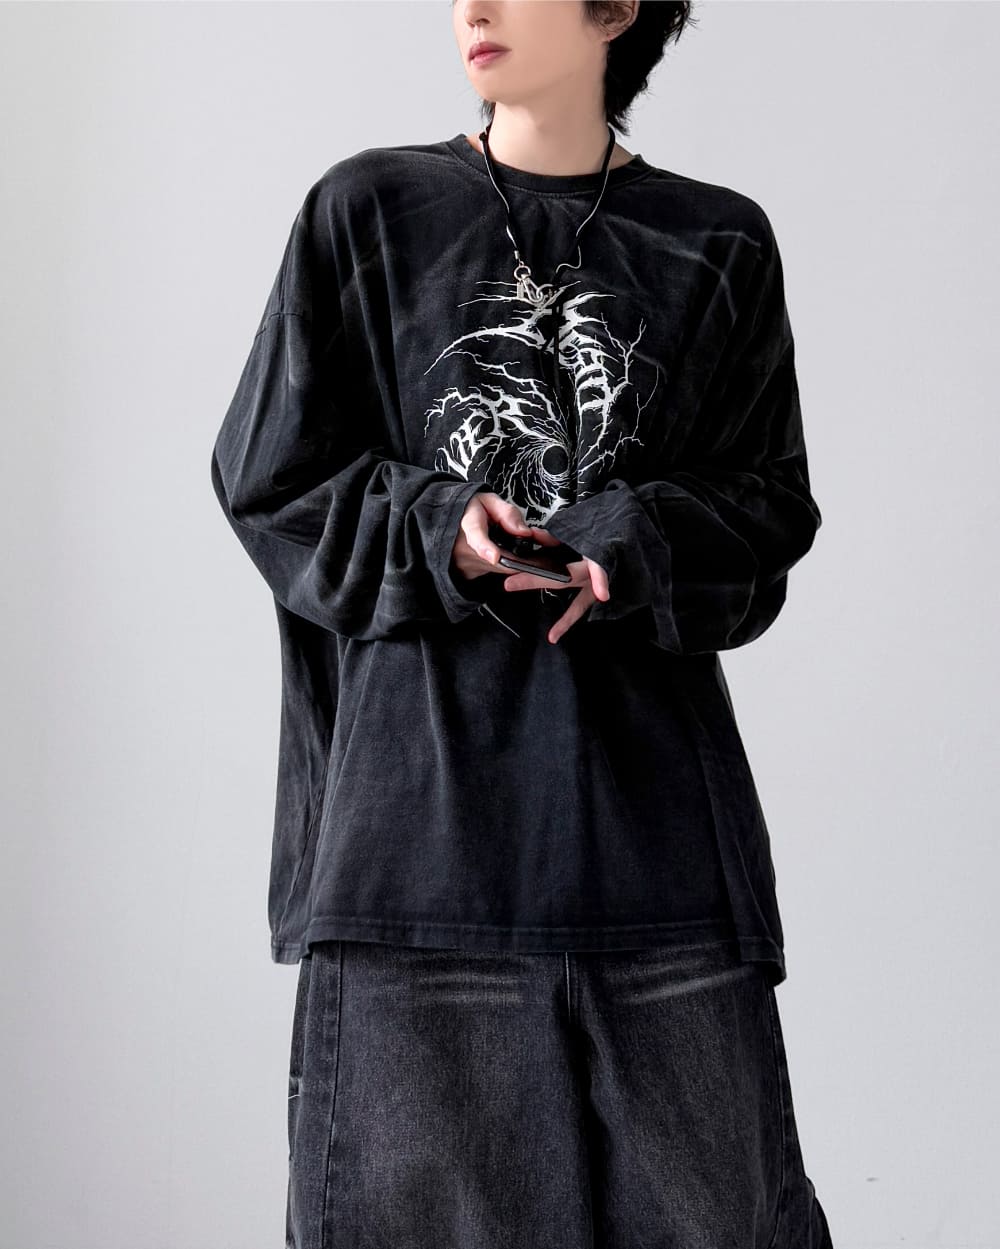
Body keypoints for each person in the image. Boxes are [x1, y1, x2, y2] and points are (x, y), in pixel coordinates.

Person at [210, 2, 835, 1245]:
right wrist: (441, 525)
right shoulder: (367, 211)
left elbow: (769, 514)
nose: (473, 8)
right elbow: (268, 481)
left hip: (660, 861)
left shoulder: (716, 240)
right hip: (414, 857)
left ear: (615, 10)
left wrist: (633, 537)